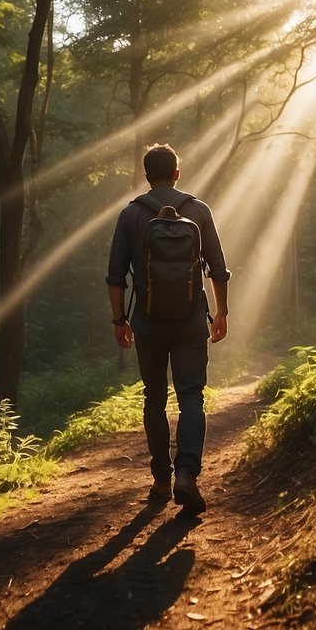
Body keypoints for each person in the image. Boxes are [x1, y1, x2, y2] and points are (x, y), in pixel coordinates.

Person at [106, 143, 230, 515]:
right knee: (192, 396)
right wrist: (221, 312)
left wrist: (119, 321)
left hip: (147, 323)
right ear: (177, 173)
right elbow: (218, 268)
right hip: (192, 321)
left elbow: (115, 276)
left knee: (154, 398)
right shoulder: (199, 210)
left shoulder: (130, 216)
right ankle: (187, 474)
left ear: (147, 176)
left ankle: (161, 477)